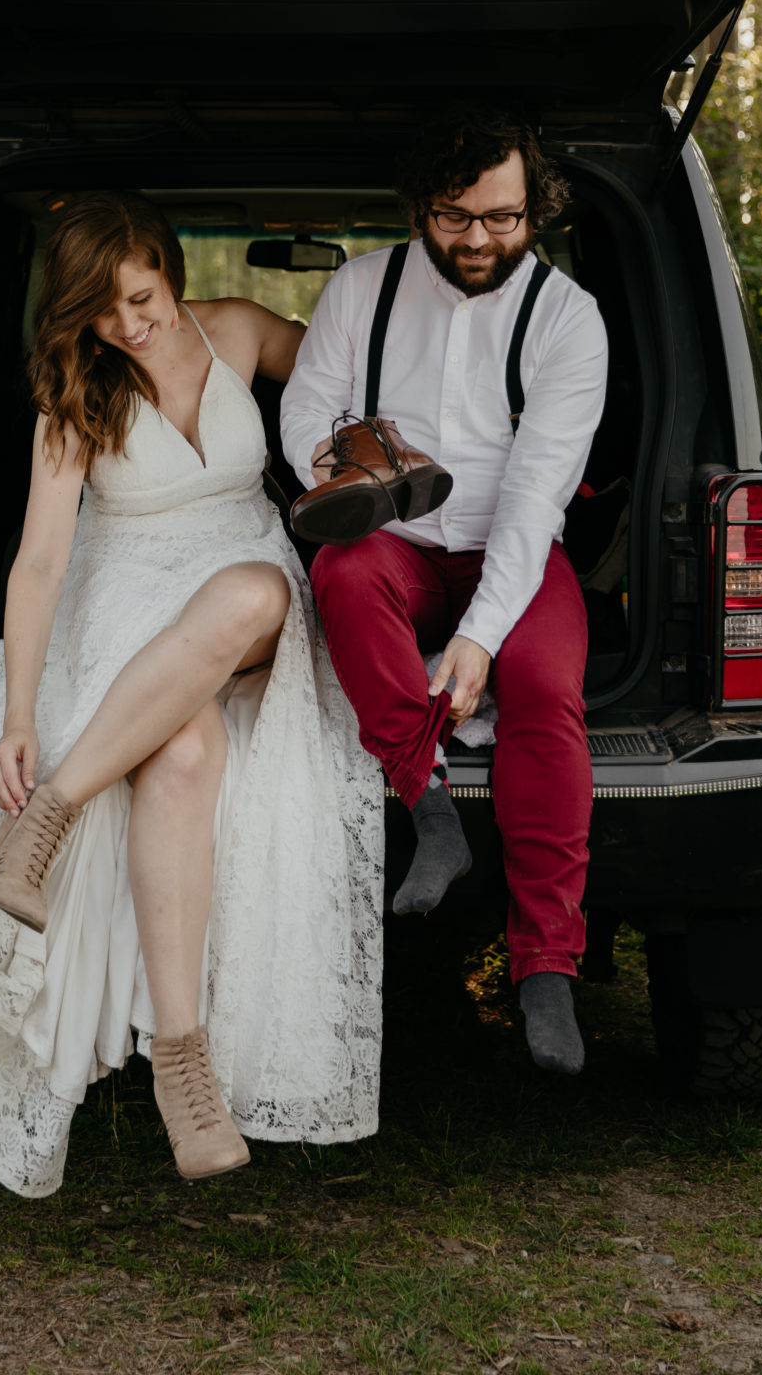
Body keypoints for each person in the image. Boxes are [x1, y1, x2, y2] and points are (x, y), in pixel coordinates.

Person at [0, 193, 382, 1198]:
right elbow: (43, 558)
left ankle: (47, 818)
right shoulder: (77, 388)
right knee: (181, 753)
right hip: (125, 597)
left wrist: (340, 449)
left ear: (164, 264)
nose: (126, 323)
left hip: (241, 571)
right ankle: (183, 1062)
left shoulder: (238, 328)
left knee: (250, 591)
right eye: (99, 309)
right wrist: (17, 718)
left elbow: (340, 372)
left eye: (138, 295)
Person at [280, 111, 607, 1076]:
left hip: (511, 550)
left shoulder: (566, 318)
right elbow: (305, 402)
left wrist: (478, 638)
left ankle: (544, 963)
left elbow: (536, 496)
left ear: (532, 207)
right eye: (455, 217)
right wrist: (343, 467)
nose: (477, 240)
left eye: (501, 219)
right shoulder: (360, 287)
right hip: (397, 538)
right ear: (422, 209)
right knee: (341, 573)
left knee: (546, 691)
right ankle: (426, 805)